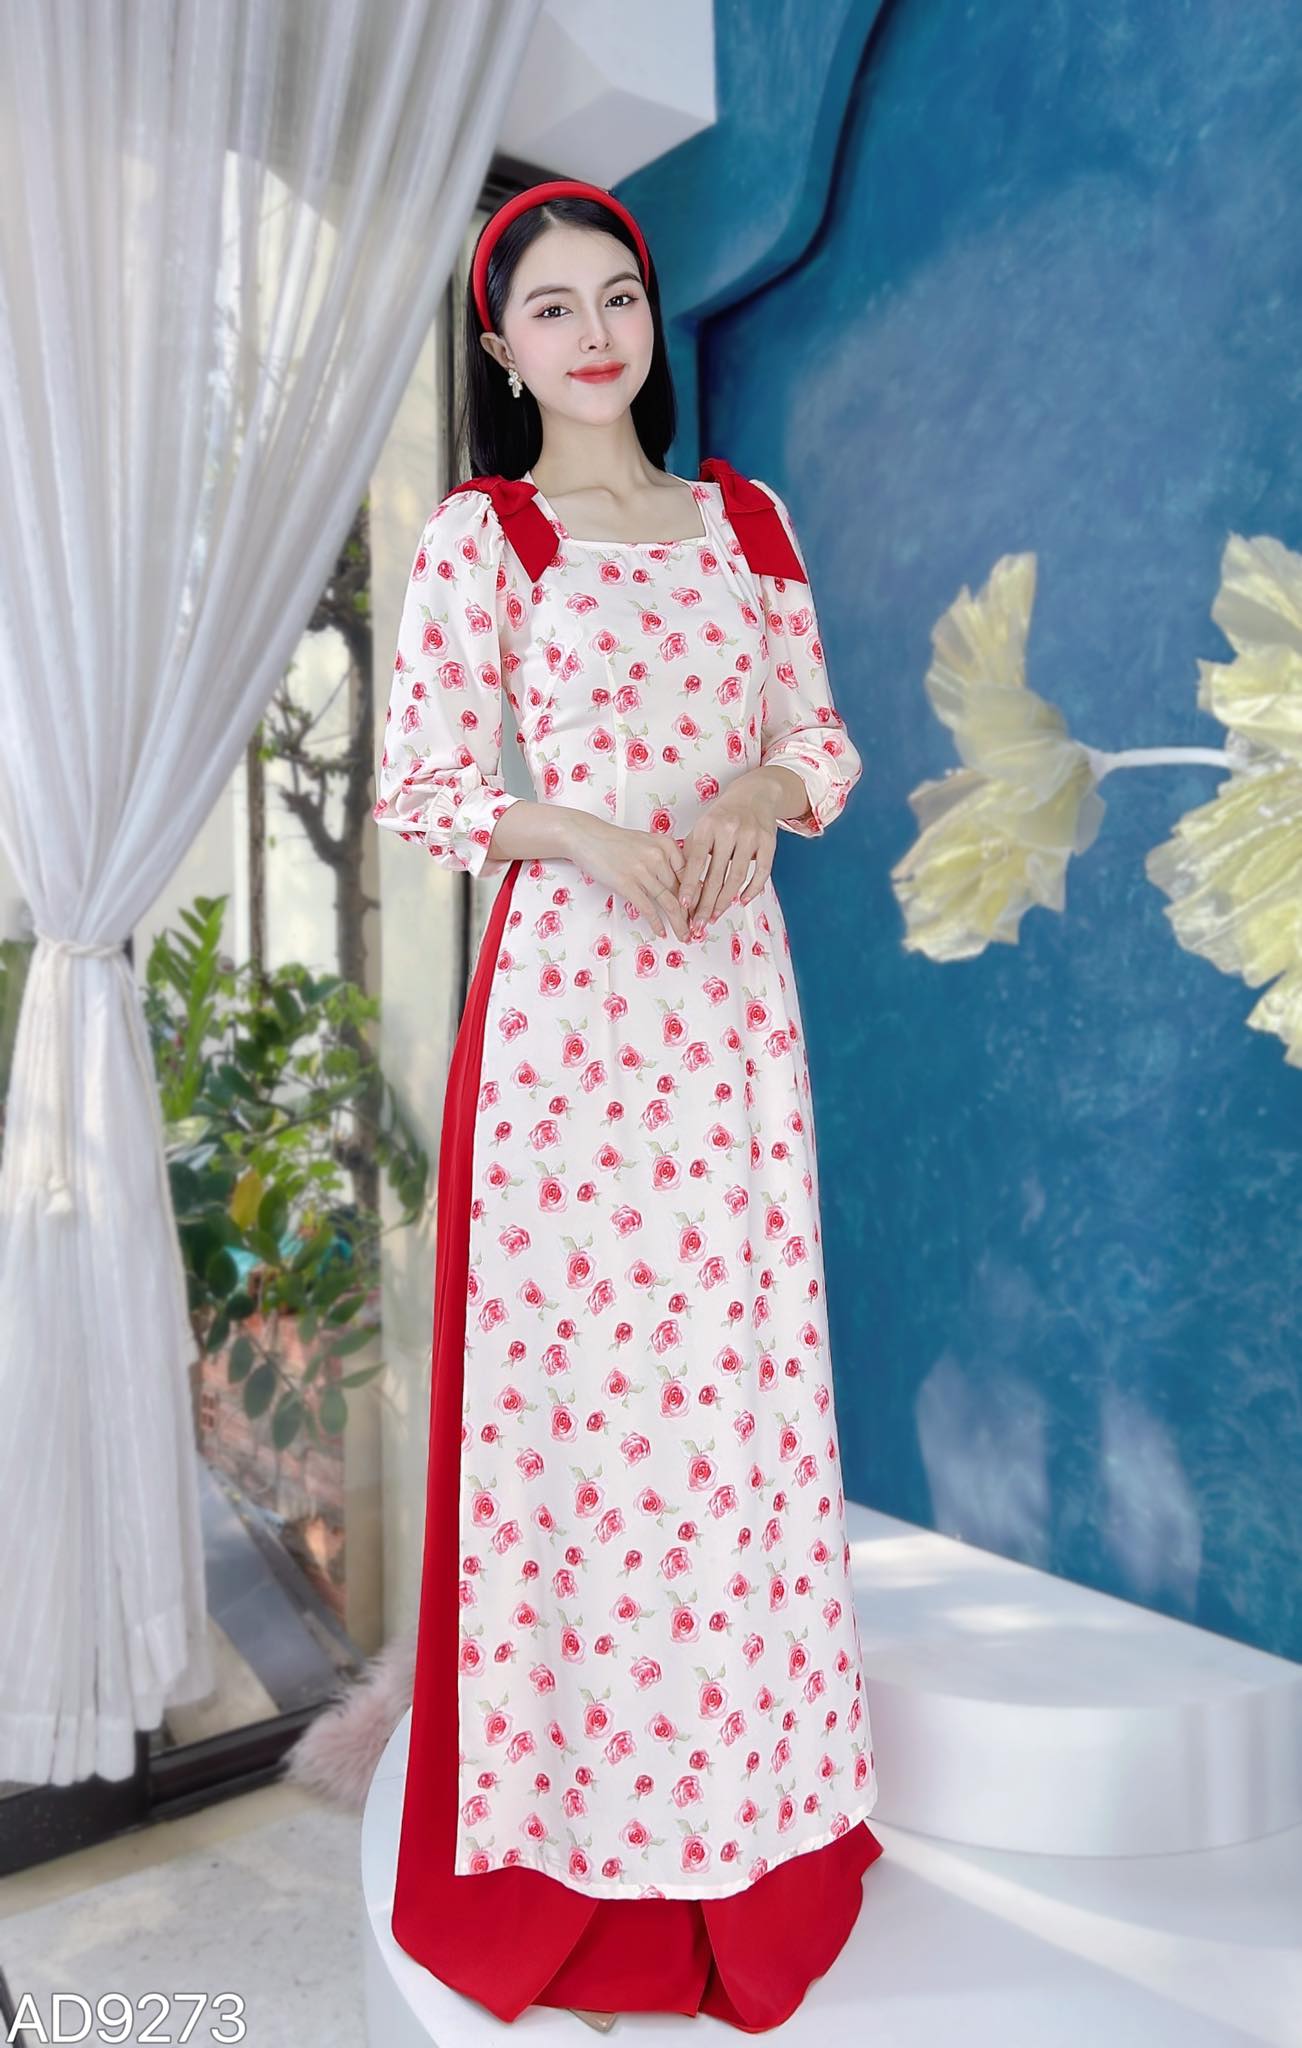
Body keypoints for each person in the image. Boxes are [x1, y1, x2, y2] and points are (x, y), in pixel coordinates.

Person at [373, 176, 882, 2033]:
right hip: (572, 1024)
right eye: (551, 309)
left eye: (617, 298)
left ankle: (748, 1834)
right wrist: (578, 830)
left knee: (731, 1410)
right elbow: (425, 785)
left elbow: (821, 739)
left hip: (729, 1012)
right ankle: (572, 1859)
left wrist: (757, 797)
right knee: (578, 1423)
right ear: (500, 350)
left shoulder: (748, 521)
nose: (593, 334)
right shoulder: (482, 537)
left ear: (647, 321)